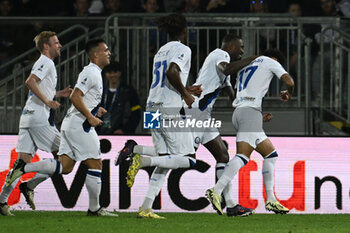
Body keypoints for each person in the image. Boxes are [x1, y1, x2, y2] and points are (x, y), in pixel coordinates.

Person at [117, 34, 260, 216]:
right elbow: (228, 68)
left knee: (222, 155)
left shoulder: (220, 64)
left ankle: (231, 205)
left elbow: (233, 96)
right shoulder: (220, 55)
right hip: (195, 112)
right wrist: (253, 59)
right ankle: (139, 153)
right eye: (240, 47)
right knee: (184, 158)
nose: (242, 51)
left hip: (200, 114)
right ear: (231, 46)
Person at [5, 38, 118, 217]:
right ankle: (94, 209)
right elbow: (75, 96)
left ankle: (25, 177)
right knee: (95, 163)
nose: (109, 53)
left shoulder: (95, 72)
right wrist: (90, 116)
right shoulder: (91, 72)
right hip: (79, 126)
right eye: (105, 50)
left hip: (73, 124)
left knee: (65, 167)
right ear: (96, 54)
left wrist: (95, 110)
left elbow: (81, 98)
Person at [120, 13, 200, 219]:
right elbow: (172, 73)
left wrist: (186, 89)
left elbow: (166, 80)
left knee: (166, 159)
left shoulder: (161, 51)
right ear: (184, 30)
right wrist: (185, 95)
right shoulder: (183, 49)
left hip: (152, 105)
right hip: (168, 108)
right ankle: (141, 159)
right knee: (189, 158)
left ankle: (145, 207)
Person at [205, 48, 295, 215]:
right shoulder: (270, 61)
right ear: (274, 59)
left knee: (271, 155)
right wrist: (288, 93)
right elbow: (289, 81)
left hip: (242, 112)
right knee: (243, 156)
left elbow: (247, 93)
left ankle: (271, 200)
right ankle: (216, 191)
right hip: (249, 113)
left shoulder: (246, 66)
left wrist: (257, 118)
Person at [0, 31, 72, 216]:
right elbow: (30, 82)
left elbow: (37, 89)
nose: (60, 45)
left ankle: (1, 202)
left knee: (21, 159)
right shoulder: (45, 62)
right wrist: (48, 102)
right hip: (39, 118)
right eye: (56, 43)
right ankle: (28, 180)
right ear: (46, 46)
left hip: (28, 117)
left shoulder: (45, 63)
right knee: (66, 159)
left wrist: (58, 94)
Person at [96, 61, 141, 135]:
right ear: (105, 74)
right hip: (101, 132)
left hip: (122, 133)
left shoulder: (129, 92)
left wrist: (125, 130)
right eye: (109, 72)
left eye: (115, 72)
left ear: (120, 73)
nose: (112, 75)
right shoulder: (101, 92)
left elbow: (136, 114)